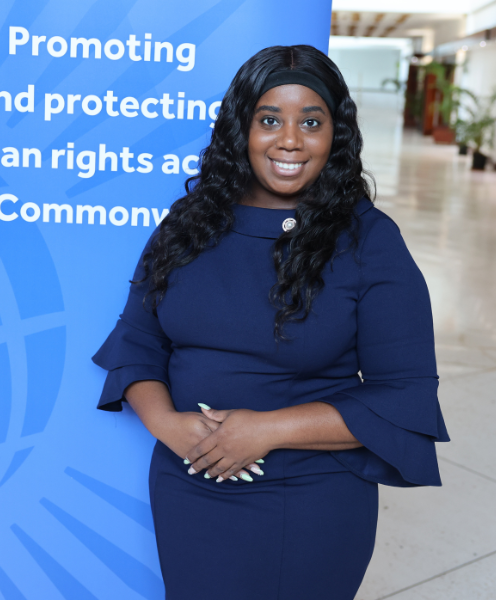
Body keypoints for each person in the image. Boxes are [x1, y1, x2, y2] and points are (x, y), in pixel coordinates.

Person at [92, 45, 449, 600]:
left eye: (311, 121)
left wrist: (265, 431)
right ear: (242, 128)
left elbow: (404, 396)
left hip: (310, 500)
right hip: (188, 490)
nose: (289, 140)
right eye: (269, 120)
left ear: (336, 134)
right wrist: (171, 427)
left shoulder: (369, 242)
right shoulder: (188, 224)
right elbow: (137, 341)